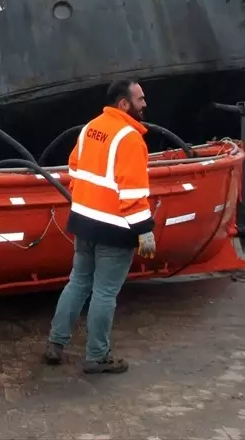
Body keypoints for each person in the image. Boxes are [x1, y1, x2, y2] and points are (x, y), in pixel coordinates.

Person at [42, 78, 156, 374]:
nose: (145, 104)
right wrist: (144, 231)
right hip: (114, 230)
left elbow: (74, 168)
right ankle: (97, 356)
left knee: (78, 282)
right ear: (123, 104)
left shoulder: (89, 129)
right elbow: (132, 195)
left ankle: (56, 343)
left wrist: (89, 202)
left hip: (83, 222)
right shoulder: (130, 138)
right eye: (140, 99)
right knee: (105, 293)